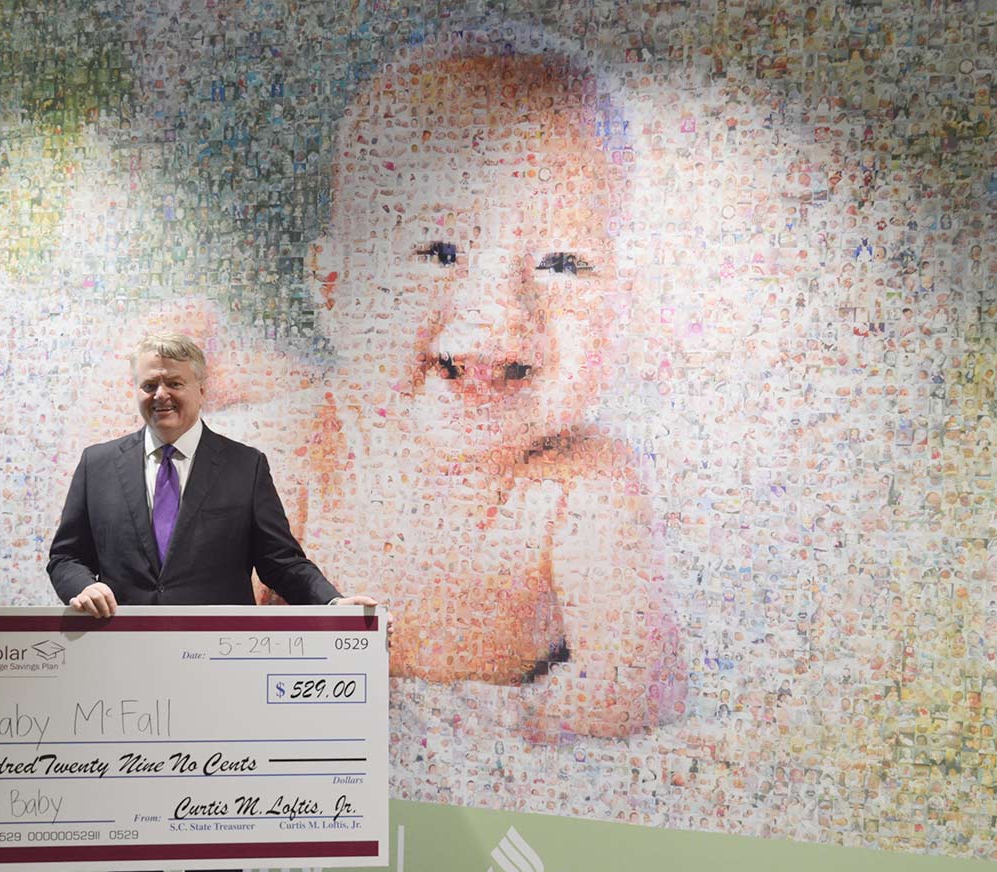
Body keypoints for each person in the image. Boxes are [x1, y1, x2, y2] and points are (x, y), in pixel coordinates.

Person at [237, 36, 683, 740]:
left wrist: (544, 726)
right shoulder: (283, 458)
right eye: (441, 252)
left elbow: (638, 681)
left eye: (562, 263)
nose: (500, 309)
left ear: (626, 304)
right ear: (337, 291)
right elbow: (188, 649)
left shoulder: (585, 484)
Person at [47, 332, 376, 872]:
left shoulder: (243, 467)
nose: (159, 395)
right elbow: (66, 555)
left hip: (216, 685)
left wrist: (330, 602)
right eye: (148, 384)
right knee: (130, 836)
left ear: (202, 389)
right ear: (136, 390)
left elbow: (281, 561)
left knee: (215, 838)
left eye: (173, 383)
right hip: (127, 685)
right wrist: (83, 588)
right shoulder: (98, 465)